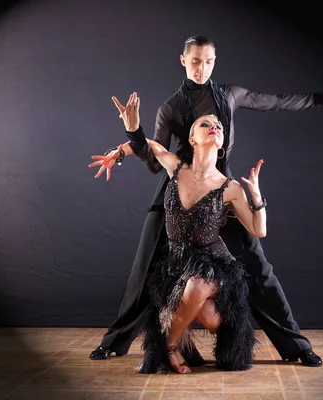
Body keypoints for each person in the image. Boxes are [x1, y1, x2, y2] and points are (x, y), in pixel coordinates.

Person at [90, 35, 323, 367]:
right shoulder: (171, 107)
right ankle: (115, 342)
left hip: (221, 193)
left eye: (208, 61)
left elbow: (274, 101)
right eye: (196, 61)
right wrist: (126, 144)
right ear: (183, 61)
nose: (202, 68)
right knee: (145, 270)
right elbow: (154, 159)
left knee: (260, 271)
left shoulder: (230, 95)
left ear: (214, 61)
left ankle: (297, 346)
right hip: (178, 190)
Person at [89, 92, 265, 373]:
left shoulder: (230, 187)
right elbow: (147, 146)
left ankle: (168, 348)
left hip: (217, 267)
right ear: (192, 139)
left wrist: (256, 197)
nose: (214, 127)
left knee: (199, 289)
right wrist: (123, 144)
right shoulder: (176, 167)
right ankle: (181, 336)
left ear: (222, 143)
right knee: (199, 307)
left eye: (218, 125)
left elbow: (259, 229)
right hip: (177, 266)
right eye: (205, 124)